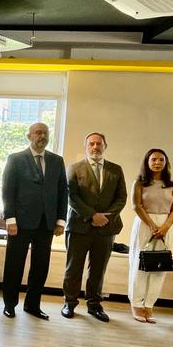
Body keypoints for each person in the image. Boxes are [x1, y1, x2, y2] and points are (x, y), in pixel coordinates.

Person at [1, 122, 67, 320]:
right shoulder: (15, 159)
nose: (42, 136)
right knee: (14, 265)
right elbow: (8, 191)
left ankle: (32, 305)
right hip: (20, 223)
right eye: (38, 133)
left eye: (45, 133)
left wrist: (61, 220)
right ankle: (10, 304)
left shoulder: (57, 161)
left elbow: (63, 191)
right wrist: (10, 219)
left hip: (46, 223)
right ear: (29, 136)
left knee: (40, 266)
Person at [61, 132, 127, 322]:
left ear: (105, 146)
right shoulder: (74, 168)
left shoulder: (116, 170)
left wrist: (105, 217)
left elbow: (121, 197)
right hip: (79, 227)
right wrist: (92, 216)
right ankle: (69, 303)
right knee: (74, 268)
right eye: (91, 144)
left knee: (98, 269)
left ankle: (94, 305)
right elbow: (71, 196)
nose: (95, 147)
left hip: (106, 228)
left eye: (99, 143)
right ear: (86, 147)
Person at [127, 148, 173, 323]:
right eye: (154, 159)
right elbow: (136, 206)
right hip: (145, 224)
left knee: (159, 266)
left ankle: (149, 304)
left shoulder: (172, 186)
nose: (157, 163)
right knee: (139, 264)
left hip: (165, 226)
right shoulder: (139, 183)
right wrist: (152, 226)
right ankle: (136, 304)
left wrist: (165, 227)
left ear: (166, 163)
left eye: (161, 160)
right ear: (147, 162)